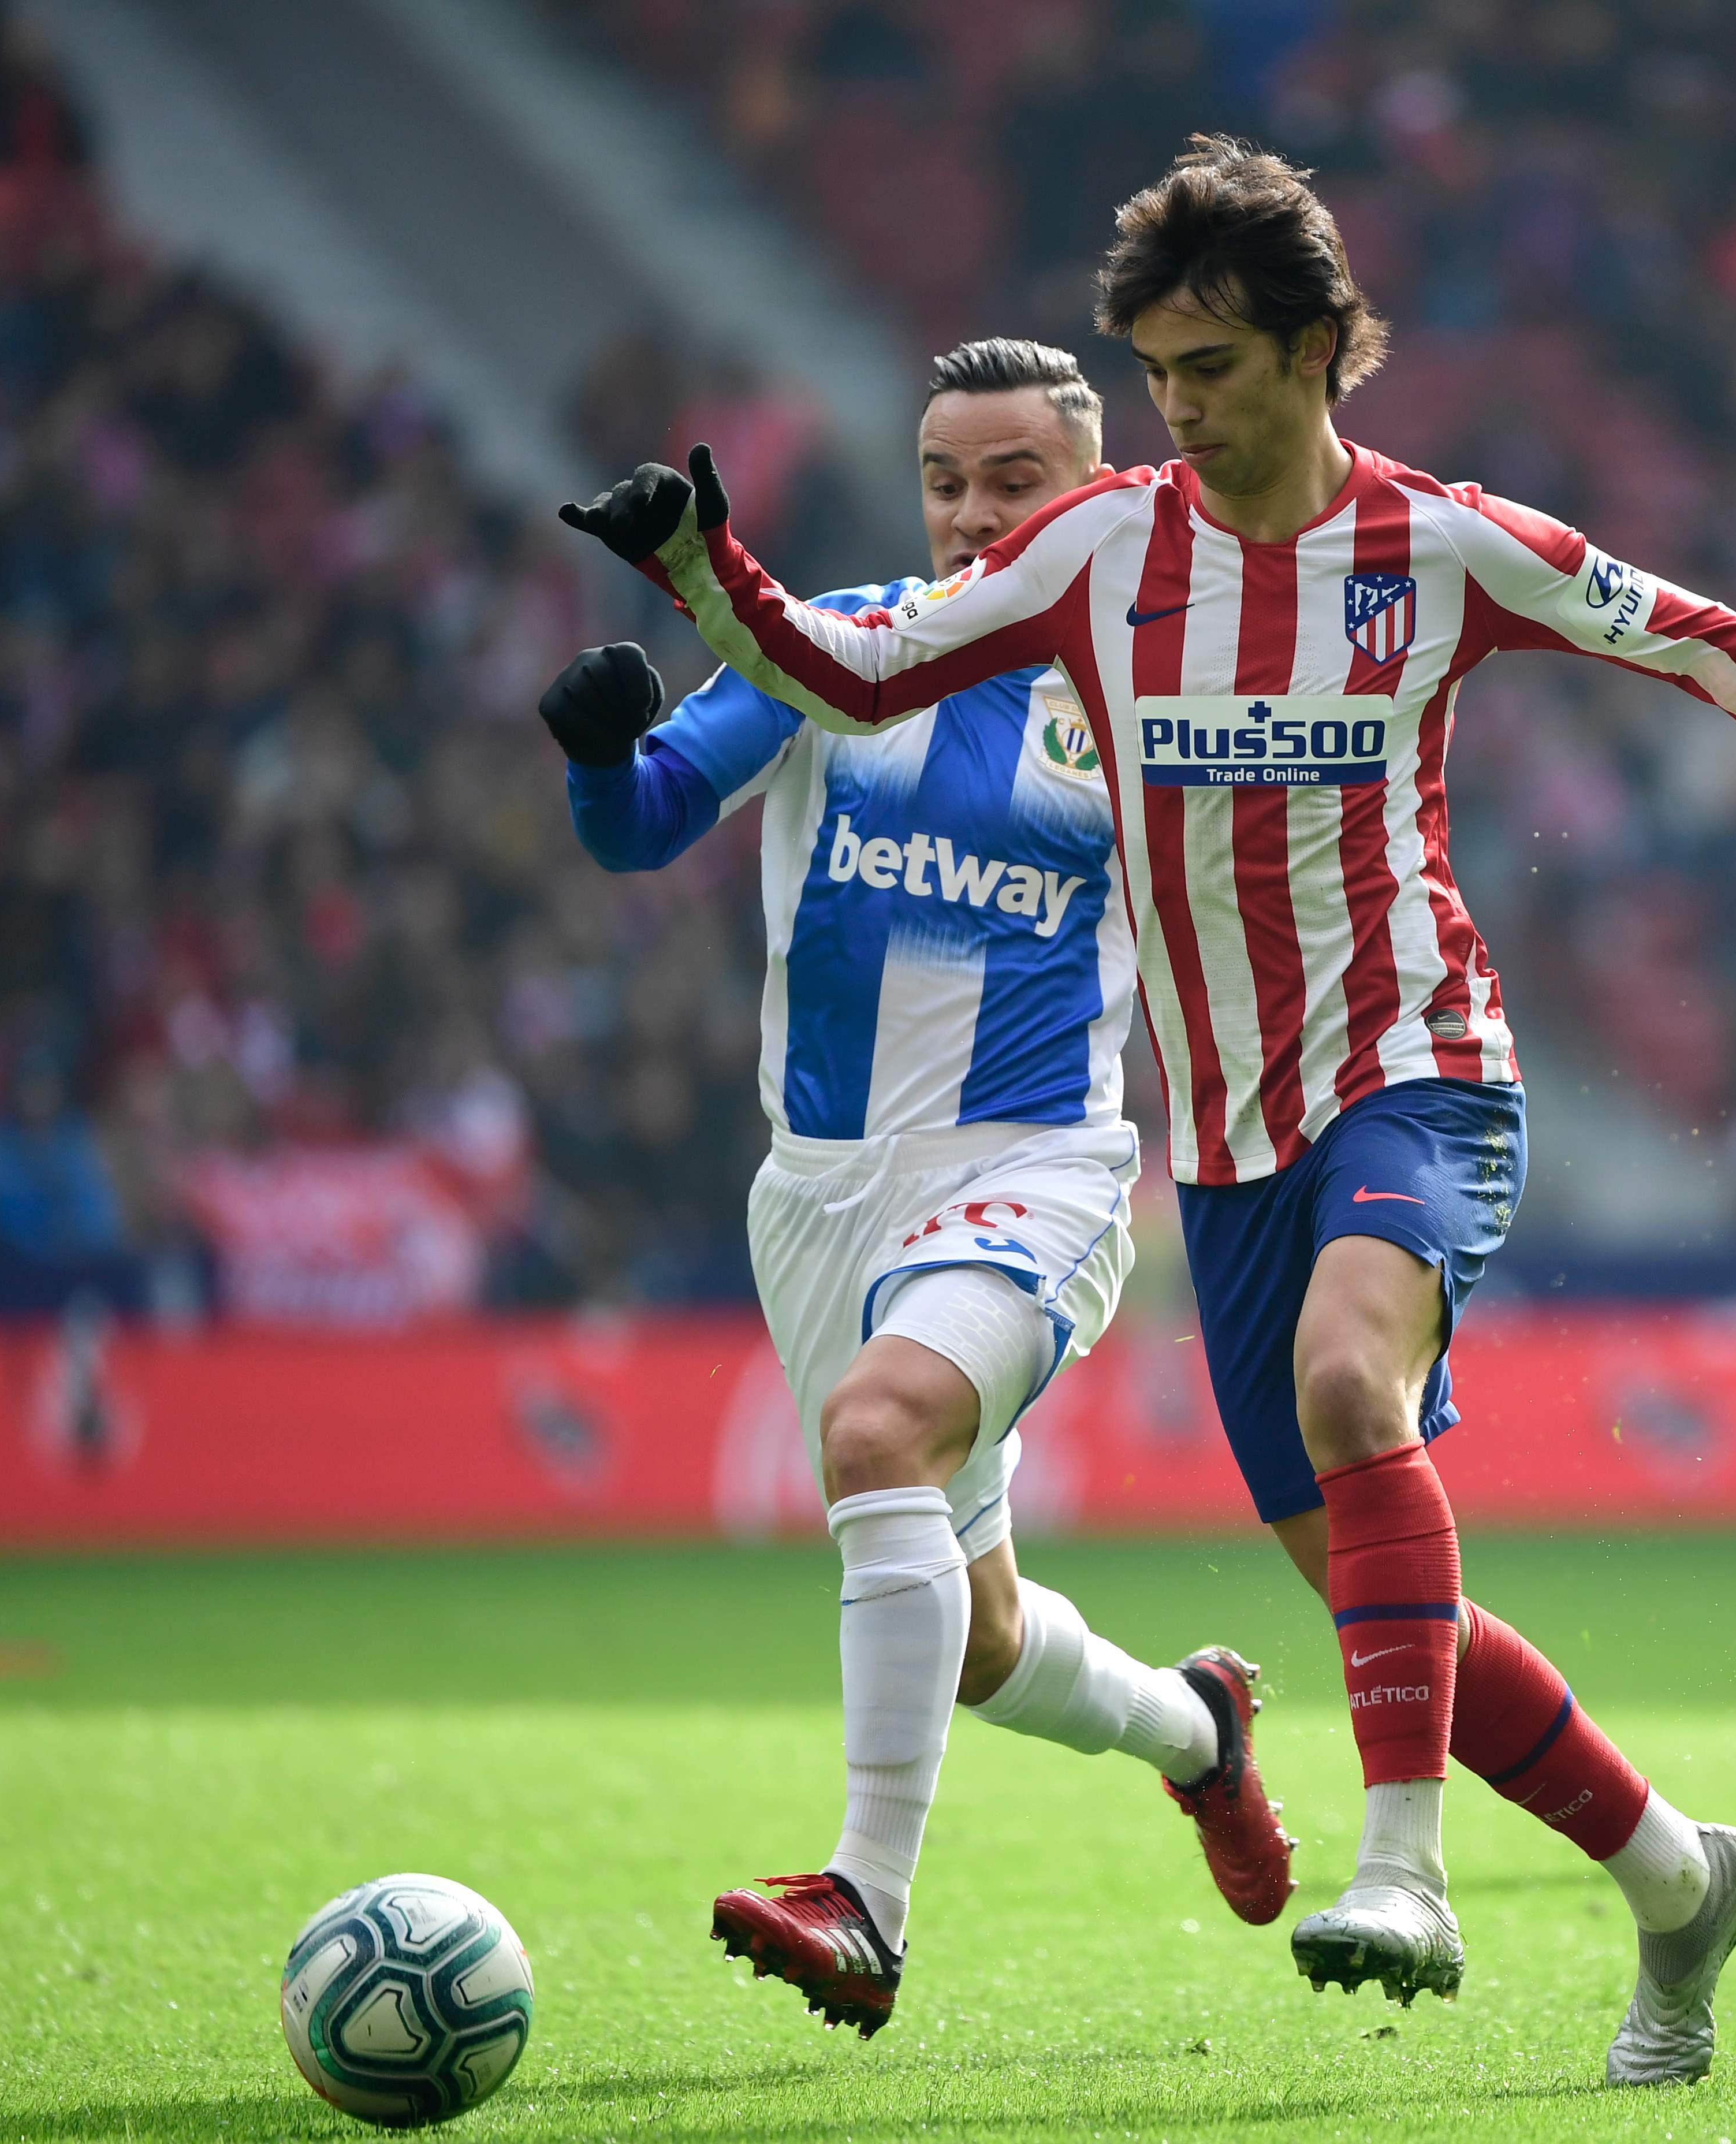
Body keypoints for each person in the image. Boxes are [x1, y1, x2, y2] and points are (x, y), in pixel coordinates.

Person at [559, 136, 1736, 2082]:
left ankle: (1401, 1868)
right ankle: (1682, 1881)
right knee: (1373, 1590)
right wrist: (698, 567)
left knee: (1354, 1393)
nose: (1185, 410)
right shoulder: (1098, 555)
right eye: (1159, 374)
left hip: (1417, 1061)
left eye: (1218, 370)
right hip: (1233, 1142)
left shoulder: (1436, 548)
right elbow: (838, 664)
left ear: (1325, 348)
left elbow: (1707, 642)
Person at [535, 338, 1294, 2040]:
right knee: (974, 1638)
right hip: (820, 1199)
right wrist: (602, 754)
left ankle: (864, 1904)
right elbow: (645, 825)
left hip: (1034, 1170)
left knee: (881, 1433)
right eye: (947, 479)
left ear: (1093, 494)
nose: (971, 516)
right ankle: (1201, 1731)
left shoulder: (1150, 701)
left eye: (1014, 481)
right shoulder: (834, 645)